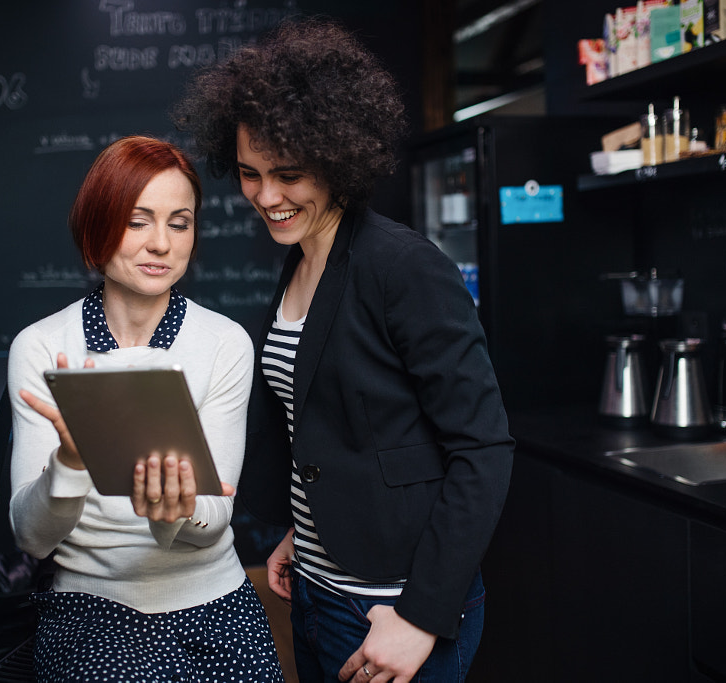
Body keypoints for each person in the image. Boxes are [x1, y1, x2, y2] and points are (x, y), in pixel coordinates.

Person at [174, 18, 514, 683]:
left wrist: (419, 615)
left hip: (391, 604)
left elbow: (485, 448)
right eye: (249, 173)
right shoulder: (302, 263)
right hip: (316, 584)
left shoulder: (403, 267)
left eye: (288, 174)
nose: (267, 196)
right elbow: (338, 425)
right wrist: (308, 529)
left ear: (335, 156)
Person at [7, 135, 284, 682]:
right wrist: (70, 461)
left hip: (216, 604)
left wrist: (173, 508)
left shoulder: (224, 342)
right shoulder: (42, 346)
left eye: (179, 223)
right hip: (93, 608)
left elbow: (214, 519)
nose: (161, 243)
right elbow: (32, 538)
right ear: (97, 227)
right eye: (138, 221)